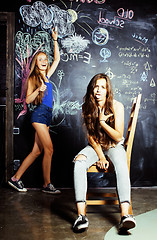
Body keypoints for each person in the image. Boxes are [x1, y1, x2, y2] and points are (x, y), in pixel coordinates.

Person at [73, 73, 136, 231]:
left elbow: (118, 135)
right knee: (79, 163)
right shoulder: (87, 106)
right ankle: (81, 217)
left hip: (114, 145)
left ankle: (125, 215)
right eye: (96, 86)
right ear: (92, 89)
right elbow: (91, 136)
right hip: (96, 146)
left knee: (121, 165)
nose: (99, 90)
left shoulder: (117, 106)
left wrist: (102, 122)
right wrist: (100, 156)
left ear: (108, 90)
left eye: (103, 87)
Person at [8, 27, 61, 194]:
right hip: (38, 114)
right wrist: (39, 90)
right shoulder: (33, 78)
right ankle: (47, 184)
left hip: (47, 115)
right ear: (36, 63)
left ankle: (15, 178)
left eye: (45, 58)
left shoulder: (48, 76)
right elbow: (28, 100)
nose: (44, 61)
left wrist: (54, 40)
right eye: (40, 59)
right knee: (49, 149)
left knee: (37, 151)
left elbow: (57, 60)